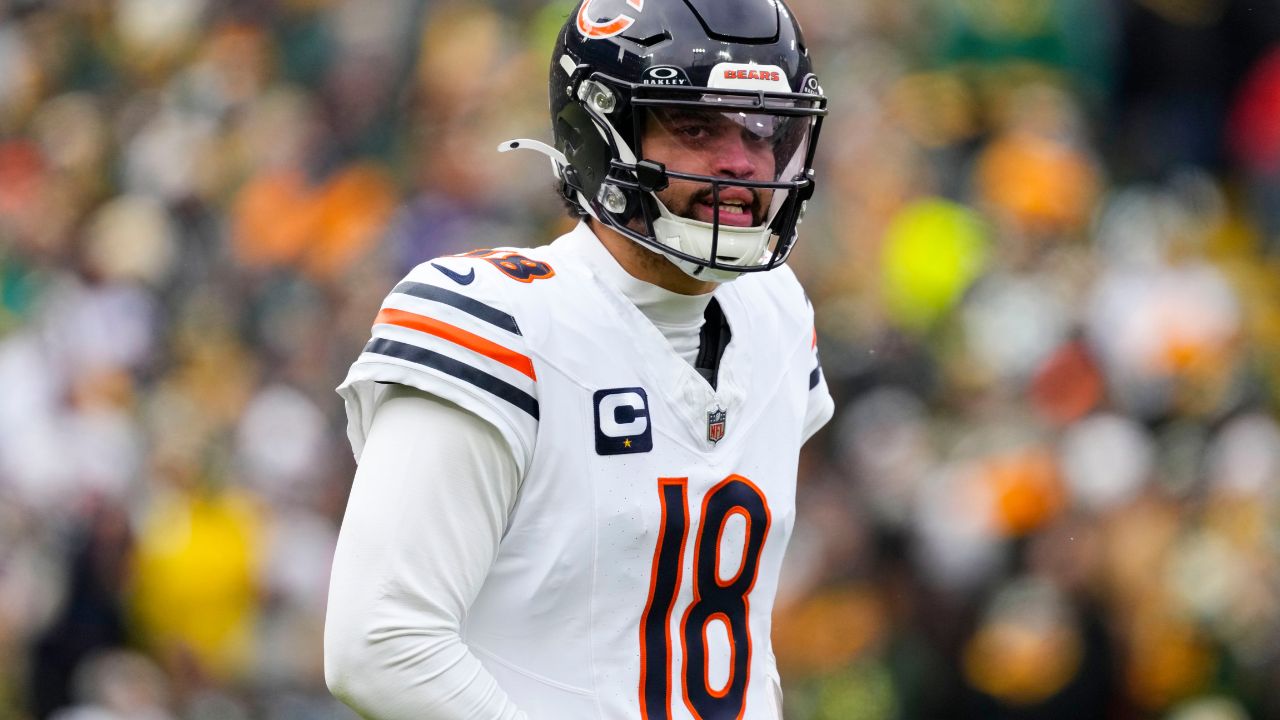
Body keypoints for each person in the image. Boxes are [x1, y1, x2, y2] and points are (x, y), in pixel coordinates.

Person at [323, 0, 833, 718]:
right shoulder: (498, 318)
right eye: (695, 125)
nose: (743, 162)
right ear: (599, 133)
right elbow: (380, 643)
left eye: (765, 128)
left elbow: (729, 635)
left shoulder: (776, 315)